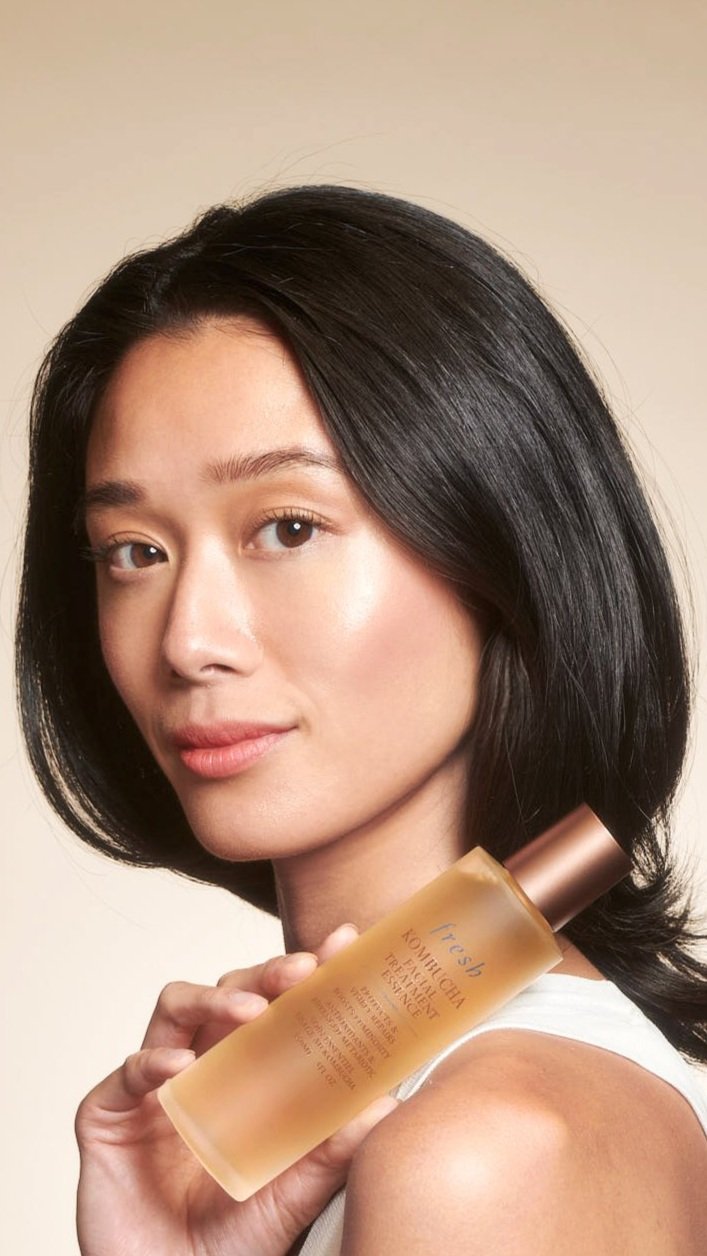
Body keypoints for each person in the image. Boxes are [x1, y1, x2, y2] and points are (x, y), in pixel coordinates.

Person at [16, 184, 707, 1254]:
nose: (188, 639)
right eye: (134, 552)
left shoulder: (483, 1150)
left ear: (498, 549)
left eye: (288, 528)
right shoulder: (432, 1114)